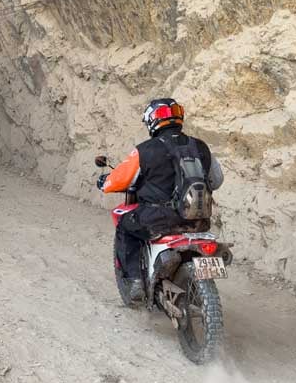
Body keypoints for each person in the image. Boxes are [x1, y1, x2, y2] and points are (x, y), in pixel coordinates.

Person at [96, 98, 224, 304]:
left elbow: (116, 181)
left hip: (159, 220)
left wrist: (104, 183)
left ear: (151, 121)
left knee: (125, 225)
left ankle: (136, 282)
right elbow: (216, 181)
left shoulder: (146, 150)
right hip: (198, 221)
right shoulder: (201, 147)